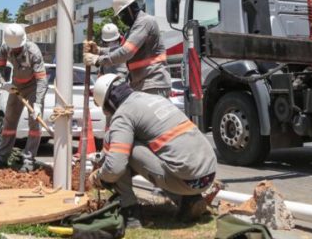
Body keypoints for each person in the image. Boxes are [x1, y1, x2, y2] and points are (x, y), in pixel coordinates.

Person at [88, 74, 217, 228]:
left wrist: (100, 176)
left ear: (109, 103)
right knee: (167, 156)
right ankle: (189, 201)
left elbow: (115, 167)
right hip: (208, 174)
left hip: (187, 179)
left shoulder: (124, 115)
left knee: (121, 152)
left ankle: (131, 213)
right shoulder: (151, 98)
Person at [83, 0, 171, 96]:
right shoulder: (133, 29)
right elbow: (120, 49)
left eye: (122, 14)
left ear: (129, 8)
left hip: (153, 83)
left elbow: (126, 52)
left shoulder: (145, 22)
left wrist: (98, 60)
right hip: (142, 84)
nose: (121, 18)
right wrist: (99, 50)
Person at [0, 23, 48, 172]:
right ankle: (1, 158)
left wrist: (38, 103)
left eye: (17, 47)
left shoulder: (33, 51)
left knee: (35, 125)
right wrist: (3, 83)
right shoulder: (5, 47)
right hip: (15, 87)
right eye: (13, 47)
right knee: (9, 123)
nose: (15, 49)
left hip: (33, 87)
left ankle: (28, 161)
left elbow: (42, 79)